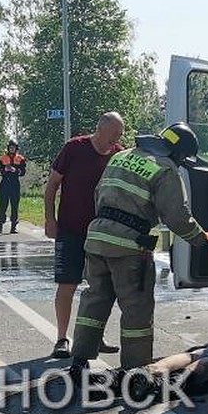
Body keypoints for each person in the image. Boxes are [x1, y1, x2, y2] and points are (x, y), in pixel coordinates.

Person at [70, 121, 208, 376]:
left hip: (97, 239)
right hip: (129, 248)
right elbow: (176, 215)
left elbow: (99, 194)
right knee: (136, 309)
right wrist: (200, 237)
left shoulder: (121, 155)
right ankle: (135, 371)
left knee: (94, 301)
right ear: (179, 152)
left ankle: (78, 361)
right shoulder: (166, 168)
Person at [43, 112, 126, 358]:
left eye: (119, 135)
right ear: (101, 129)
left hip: (102, 234)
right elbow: (52, 186)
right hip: (70, 230)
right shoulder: (74, 148)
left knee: (100, 288)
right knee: (67, 285)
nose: (117, 140)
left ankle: (94, 337)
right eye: (114, 134)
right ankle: (61, 339)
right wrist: (50, 219)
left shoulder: (117, 155)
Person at [0, 139, 27, 234]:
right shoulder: (2, 158)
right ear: (8, 148)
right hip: (4, 184)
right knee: (3, 205)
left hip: (15, 184)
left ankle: (13, 227)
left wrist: (15, 170)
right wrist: (4, 169)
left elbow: (23, 172)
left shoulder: (20, 159)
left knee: (14, 206)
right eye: (10, 147)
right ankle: (0, 227)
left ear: (16, 148)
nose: (12, 149)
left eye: (13, 147)